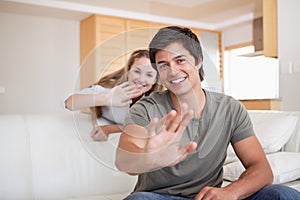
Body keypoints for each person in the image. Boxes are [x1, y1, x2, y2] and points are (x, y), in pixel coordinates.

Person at [115, 26, 300, 199]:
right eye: (163, 65)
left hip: (209, 197)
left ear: (198, 60)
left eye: (180, 60)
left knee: (282, 194)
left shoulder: (230, 109)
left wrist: (230, 192)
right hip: (161, 197)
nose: (172, 71)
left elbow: (261, 169)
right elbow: (124, 160)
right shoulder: (145, 108)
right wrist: (151, 157)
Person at [65, 49, 161, 141]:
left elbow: (144, 126)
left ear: (155, 80)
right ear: (128, 71)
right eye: (137, 71)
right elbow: (68, 103)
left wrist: (110, 129)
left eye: (149, 75)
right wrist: (106, 98)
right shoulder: (109, 90)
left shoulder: (154, 102)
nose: (141, 79)